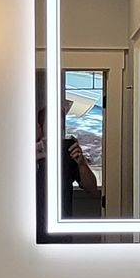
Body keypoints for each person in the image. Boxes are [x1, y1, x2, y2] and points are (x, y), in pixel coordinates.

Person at [36, 99, 97, 240]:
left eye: (61, 124)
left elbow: (92, 190)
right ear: (40, 127)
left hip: (61, 233)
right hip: (30, 232)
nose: (57, 128)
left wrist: (81, 163)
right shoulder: (26, 154)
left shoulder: (67, 153)